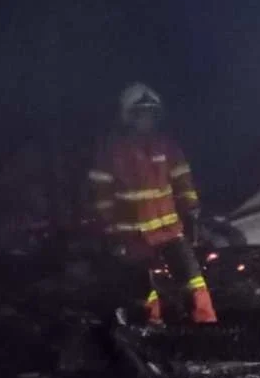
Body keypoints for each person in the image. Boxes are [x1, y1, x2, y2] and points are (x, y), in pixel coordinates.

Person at [89, 83, 217, 324]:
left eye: (150, 113)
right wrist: (110, 231)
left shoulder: (167, 146)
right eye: (141, 113)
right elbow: (101, 196)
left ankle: (207, 330)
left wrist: (191, 210)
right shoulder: (111, 151)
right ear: (128, 116)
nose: (147, 119)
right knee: (143, 291)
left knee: (194, 281)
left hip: (170, 232)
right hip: (133, 235)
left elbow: (183, 180)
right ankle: (151, 336)